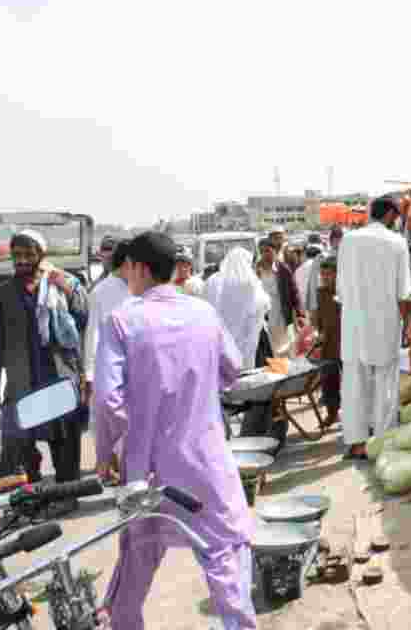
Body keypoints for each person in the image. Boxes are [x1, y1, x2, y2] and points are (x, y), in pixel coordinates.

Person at [93, 232, 256, 629]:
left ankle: (123, 624)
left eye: (127, 267)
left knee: (137, 551)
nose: (125, 275)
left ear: (140, 268)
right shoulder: (203, 312)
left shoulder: (121, 320)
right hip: (205, 463)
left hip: (146, 470)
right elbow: (232, 370)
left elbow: (107, 400)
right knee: (224, 553)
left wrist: (105, 454)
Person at [0, 230, 89, 500]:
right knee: (17, 445)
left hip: (57, 378)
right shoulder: (3, 295)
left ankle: (65, 498)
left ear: (41, 256)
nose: (22, 260)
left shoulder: (61, 285)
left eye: (28, 254)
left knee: (64, 444)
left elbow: (83, 321)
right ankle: (22, 500)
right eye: (17, 255)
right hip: (22, 384)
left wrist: (66, 287)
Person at [336, 197, 411, 461]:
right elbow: (404, 293)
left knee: (353, 382)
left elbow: (341, 291)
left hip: (353, 323)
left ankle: (357, 443)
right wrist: (406, 326)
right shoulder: (397, 242)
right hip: (385, 323)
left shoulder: (348, 241)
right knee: (386, 382)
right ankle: (383, 443)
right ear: (391, 214)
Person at [83, 239, 133, 482]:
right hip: (110, 371)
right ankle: (109, 469)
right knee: (109, 426)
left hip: (135, 371)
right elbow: (93, 334)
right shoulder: (102, 292)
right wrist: (90, 373)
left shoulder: (140, 288)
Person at [205, 247, 270, 370]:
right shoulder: (249, 282)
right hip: (244, 339)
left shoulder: (212, 280)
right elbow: (263, 304)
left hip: (219, 341)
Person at [255, 238, 305, 358]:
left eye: (267, 251)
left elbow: (294, 293)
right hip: (263, 317)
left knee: (285, 347)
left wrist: (299, 314)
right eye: (262, 252)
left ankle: (286, 373)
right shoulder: (256, 270)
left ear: (274, 251)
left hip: (281, 314)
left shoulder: (283, 269)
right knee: (269, 349)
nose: (265, 254)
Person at [315, 256, 342, 428]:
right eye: (323, 274)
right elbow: (320, 316)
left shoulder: (346, 291)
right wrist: (319, 333)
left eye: (329, 274)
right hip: (329, 343)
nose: (325, 277)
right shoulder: (321, 293)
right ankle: (332, 414)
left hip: (346, 342)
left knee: (351, 381)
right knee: (328, 380)